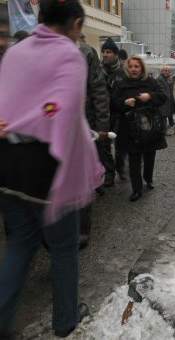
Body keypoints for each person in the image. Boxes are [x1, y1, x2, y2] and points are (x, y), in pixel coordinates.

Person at [0, 0, 102, 337]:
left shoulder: (15, 52)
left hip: (9, 167)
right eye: (80, 27)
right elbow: (62, 110)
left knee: (20, 246)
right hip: (48, 171)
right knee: (63, 249)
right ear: (74, 23)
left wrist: (19, 123)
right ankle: (65, 321)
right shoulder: (69, 55)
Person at [112, 56, 167, 202]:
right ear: (127, 68)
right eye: (131, 66)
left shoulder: (150, 82)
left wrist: (150, 96)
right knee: (134, 160)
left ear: (141, 68)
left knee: (149, 157)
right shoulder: (121, 84)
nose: (134, 69)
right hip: (130, 129)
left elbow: (163, 97)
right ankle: (136, 189)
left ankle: (148, 179)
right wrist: (124, 103)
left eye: (137, 66)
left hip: (149, 127)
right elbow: (114, 104)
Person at [79, 38, 111, 248]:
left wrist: (102, 127)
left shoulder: (85, 51)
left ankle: (82, 228)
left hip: (83, 122)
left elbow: (99, 91)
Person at [101, 37, 127, 184]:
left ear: (116, 54)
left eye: (108, 52)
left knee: (120, 144)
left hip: (119, 114)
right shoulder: (98, 70)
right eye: (104, 51)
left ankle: (120, 167)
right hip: (103, 113)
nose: (105, 54)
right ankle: (109, 172)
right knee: (104, 144)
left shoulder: (123, 72)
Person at [157, 66, 175, 135]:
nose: (167, 72)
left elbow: (169, 89)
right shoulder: (160, 79)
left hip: (166, 102)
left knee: (164, 117)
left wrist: (170, 83)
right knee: (162, 117)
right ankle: (162, 132)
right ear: (162, 71)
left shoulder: (165, 79)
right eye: (165, 70)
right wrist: (168, 97)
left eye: (168, 71)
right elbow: (162, 91)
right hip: (163, 102)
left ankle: (163, 131)